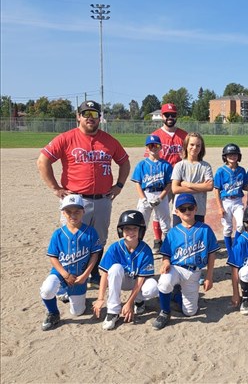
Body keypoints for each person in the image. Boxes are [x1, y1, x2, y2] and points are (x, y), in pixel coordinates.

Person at [37, 100, 130, 287]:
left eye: (94, 114)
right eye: (86, 113)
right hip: (76, 199)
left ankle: (94, 274)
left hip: (103, 199)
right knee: (70, 238)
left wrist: (119, 185)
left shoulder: (109, 140)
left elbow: (124, 162)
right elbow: (43, 160)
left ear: (99, 118)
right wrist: (56, 188)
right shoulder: (66, 138)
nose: (90, 117)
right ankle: (66, 279)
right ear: (78, 116)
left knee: (99, 238)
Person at [152, 194, 219, 330]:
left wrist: (209, 277)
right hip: (176, 268)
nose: (187, 211)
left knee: (190, 312)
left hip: (194, 271)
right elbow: (166, 254)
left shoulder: (205, 229)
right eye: (182, 209)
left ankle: (176, 295)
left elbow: (212, 254)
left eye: (190, 207)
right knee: (164, 282)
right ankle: (165, 312)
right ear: (177, 212)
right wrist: (165, 262)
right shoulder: (173, 232)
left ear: (196, 209)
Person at [39, 195, 101, 331]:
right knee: (46, 290)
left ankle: (74, 295)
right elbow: (53, 257)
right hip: (61, 273)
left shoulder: (90, 232)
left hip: (79, 277)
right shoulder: (58, 234)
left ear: (83, 211)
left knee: (77, 312)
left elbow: (94, 255)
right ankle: (53, 313)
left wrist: (85, 276)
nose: (73, 215)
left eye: (77, 211)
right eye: (68, 212)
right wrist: (65, 275)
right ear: (63, 213)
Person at [92, 210, 158, 330]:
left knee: (152, 287)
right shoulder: (115, 248)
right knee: (115, 268)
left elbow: (140, 280)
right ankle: (113, 312)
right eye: (127, 228)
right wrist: (100, 298)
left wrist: (129, 303)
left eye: (135, 228)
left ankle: (139, 301)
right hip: (121, 280)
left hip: (137, 282)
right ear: (121, 230)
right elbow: (105, 274)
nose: (131, 232)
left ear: (140, 230)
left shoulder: (145, 250)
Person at [149, 103, 188, 248]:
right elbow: (150, 159)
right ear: (162, 116)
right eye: (167, 115)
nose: (170, 117)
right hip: (161, 179)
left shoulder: (184, 135)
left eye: (173, 115)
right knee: (159, 210)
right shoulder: (155, 135)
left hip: (180, 179)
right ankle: (158, 240)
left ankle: (179, 236)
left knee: (180, 208)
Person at [131, 134, 173, 252]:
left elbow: (169, 184)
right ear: (146, 148)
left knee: (165, 224)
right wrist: (143, 199)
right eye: (150, 146)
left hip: (160, 194)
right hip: (146, 194)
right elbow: (137, 183)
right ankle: (137, 249)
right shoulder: (142, 165)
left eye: (156, 145)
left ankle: (169, 248)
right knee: (140, 223)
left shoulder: (166, 165)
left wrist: (160, 198)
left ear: (160, 147)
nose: (153, 148)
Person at [171, 132, 213, 225]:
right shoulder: (179, 165)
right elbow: (175, 189)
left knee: (197, 237)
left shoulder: (205, 166)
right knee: (179, 238)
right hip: (180, 210)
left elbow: (209, 186)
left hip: (198, 209)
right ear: (186, 145)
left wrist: (187, 184)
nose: (194, 148)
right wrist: (200, 187)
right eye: (192, 144)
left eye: (198, 145)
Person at [213, 143, 248, 253]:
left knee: (241, 224)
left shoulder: (242, 170)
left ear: (239, 156)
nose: (232, 157)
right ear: (225, 156)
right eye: (229, 155)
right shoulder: (221, 171)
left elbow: (245, 186)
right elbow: (216, 190)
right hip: (226, 201)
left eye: (235, 155)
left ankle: (235, 247)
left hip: (238, 201)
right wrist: (220, 207)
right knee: (227, 228)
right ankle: (230, 252)